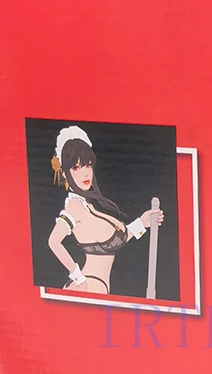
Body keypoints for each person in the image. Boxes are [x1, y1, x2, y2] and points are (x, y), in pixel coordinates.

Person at [46, 125, 164, 294]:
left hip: (99, 285)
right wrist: (79, 278)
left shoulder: (87, 207)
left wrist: (142, 223)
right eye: (76, 167)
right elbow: (53, 241)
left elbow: (119, 239)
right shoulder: (75, 206)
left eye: (87, 165)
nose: (85, 173)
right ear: (64, 173)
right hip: (90, 285)